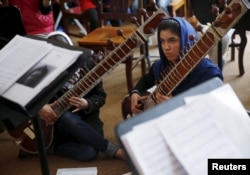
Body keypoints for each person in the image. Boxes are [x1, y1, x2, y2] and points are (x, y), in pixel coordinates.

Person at [37, 57, 126, 161]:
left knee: (89, 152)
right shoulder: (46, 68)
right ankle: (112, 150)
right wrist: (41, 107)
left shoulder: (88, 63)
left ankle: (52, 148)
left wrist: (87, 103)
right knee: (66, 116)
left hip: (86, 118)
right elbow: (29, 96)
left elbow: (100, 96)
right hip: (58, 123)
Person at [130, 17, 223, 114]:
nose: (166, 47)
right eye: (162, 41)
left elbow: (212, 111)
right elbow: (146, 80)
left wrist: (175, 106)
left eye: (172, 40)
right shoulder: (161, 65)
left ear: (186, 39)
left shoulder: (208, 74)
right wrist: (135, 92)